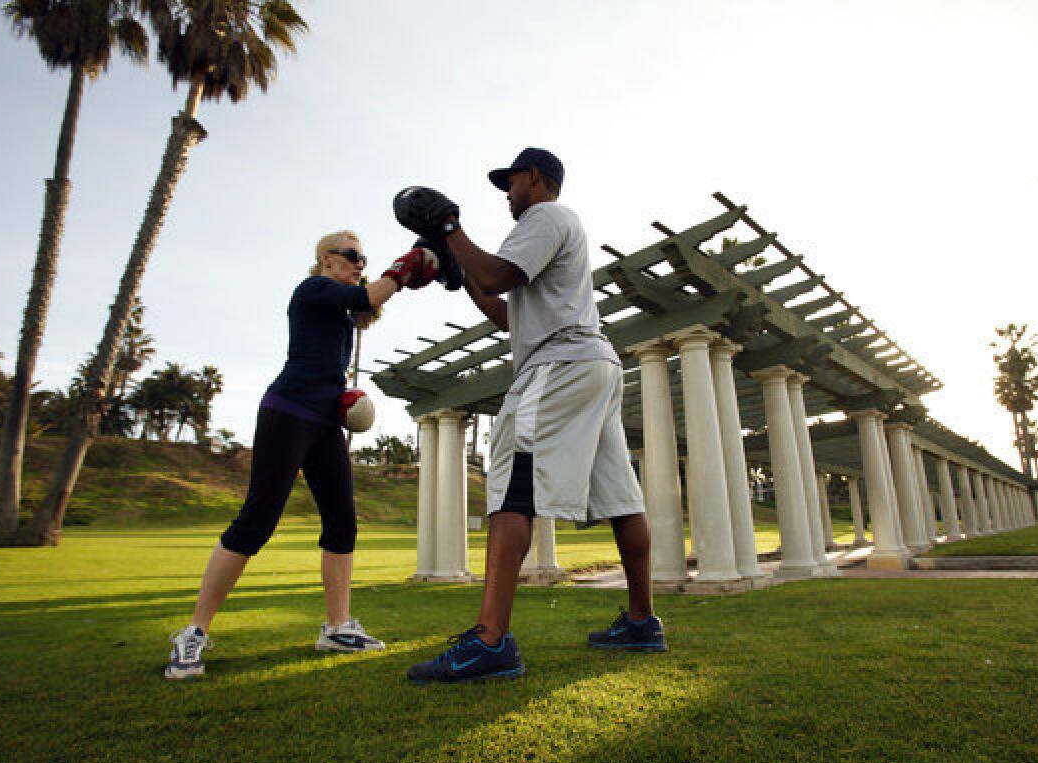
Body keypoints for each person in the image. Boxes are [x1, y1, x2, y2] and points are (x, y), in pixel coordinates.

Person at [404, 148, 665, 685]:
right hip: (590, 366)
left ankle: (491, 642)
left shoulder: (545, 216)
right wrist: (459, 272)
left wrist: (452, 229)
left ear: (537, 180)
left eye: (512, 180)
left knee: (508, 487)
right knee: (620, 497)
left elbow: (498, 274)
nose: (507, 191)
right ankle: (641, 621)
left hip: (557, 367)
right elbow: (505, 312)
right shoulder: (551, 232)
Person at [164, 231, 439, 680]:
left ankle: (337, 627)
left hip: (326, 420)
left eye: (362, 258)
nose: (357, 263)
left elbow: (368, 305)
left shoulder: (344, 311)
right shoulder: (311, 289)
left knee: (342, 522)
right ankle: (193, 632)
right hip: (288, 412)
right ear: (325, 259)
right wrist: (408, 264)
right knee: (258, 519)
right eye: (351, 256)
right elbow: (369, 297)